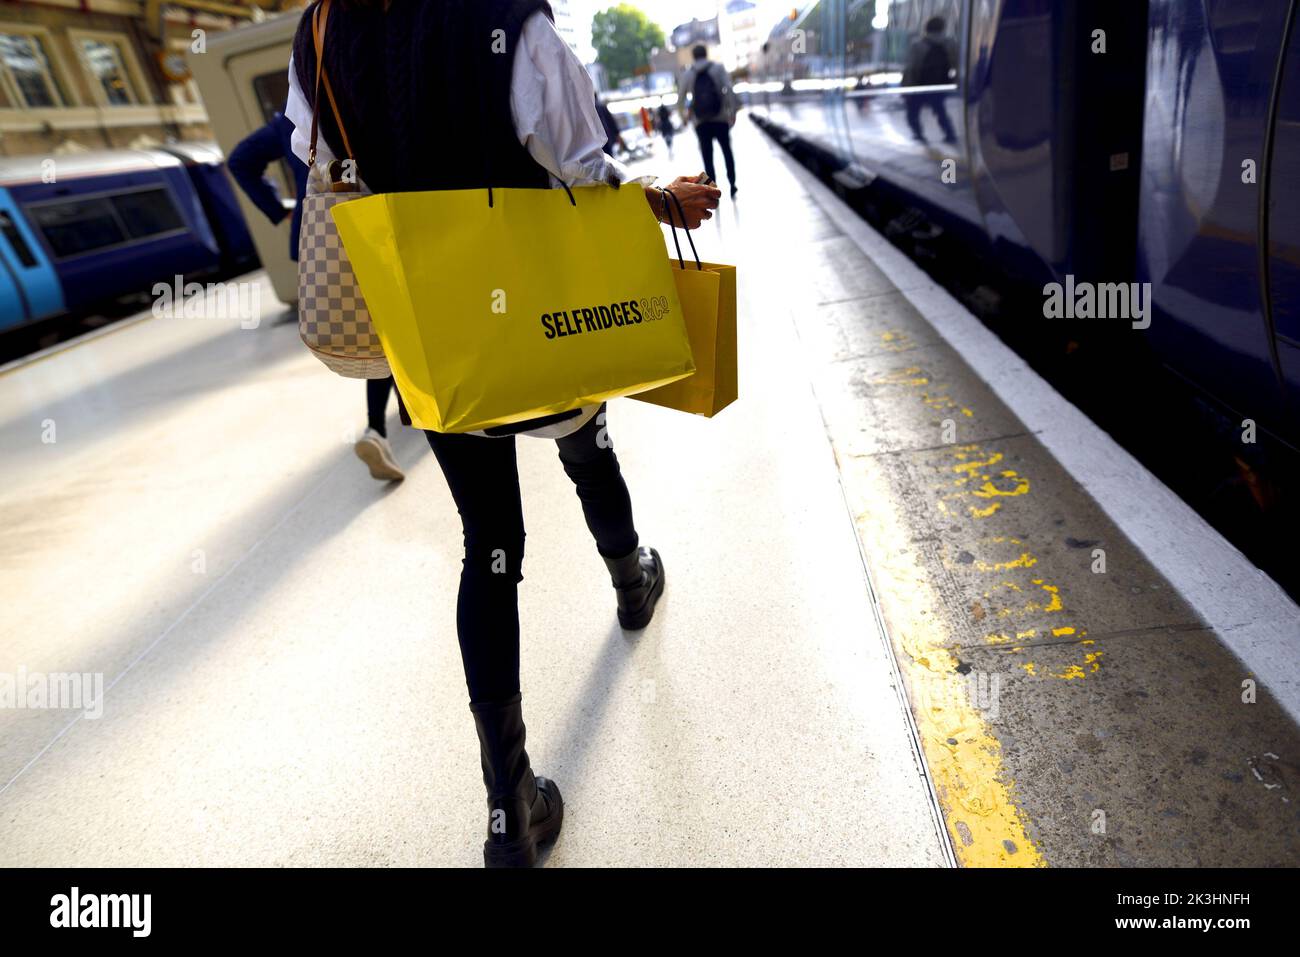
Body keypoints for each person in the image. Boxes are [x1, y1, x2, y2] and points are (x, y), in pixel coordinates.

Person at [284, 0, 720, 868]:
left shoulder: (322, 27)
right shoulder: (510, 19)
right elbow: (580, 170)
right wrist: (662, 199)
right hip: (536, 305)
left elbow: (316, 155)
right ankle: (632, 580)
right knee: (587, 449)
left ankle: (509, 804)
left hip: (434, 329)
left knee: (489, 542)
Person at [227, 112, 404, 481]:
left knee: (376, 329)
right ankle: (406, 416)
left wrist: (281, 211)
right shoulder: (351, 96)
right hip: (375, 224)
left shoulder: (292, 115)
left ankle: (379, 429)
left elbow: (240, 160)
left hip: (322, 237)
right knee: (394, 327)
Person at [681, 44, 739, 198]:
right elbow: (729, 89)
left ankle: (712, 193)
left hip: (701, 123)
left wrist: (684, 118)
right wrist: (732, 112)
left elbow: (680, 98)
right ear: (706, 54)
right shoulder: (718, 68)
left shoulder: (688, 73)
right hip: (720, 119)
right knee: (727, 152)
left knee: (707, 158)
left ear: (693, 56)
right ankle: (732, 185)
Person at [902, 16, 958, 144]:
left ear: (926, 28)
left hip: (920, 85)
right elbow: (957, 64)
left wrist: (906, 87)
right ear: (943, 28)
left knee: (912, 112)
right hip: (941, 84)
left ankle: (918, 134)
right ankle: (950, 134)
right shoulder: (951, 43)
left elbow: (910, 68)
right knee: (940, 110)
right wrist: (955, 81)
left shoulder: (917, 45)